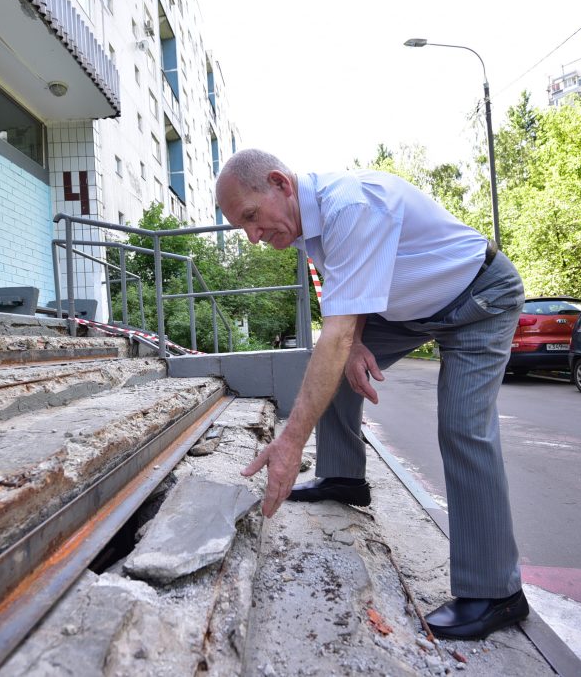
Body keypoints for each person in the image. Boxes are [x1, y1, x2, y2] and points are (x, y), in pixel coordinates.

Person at [215, 148, 528, 641]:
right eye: (242, 228)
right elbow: (344, 304)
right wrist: (356, 342)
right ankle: (343, 477)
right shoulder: (306, 227)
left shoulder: (352, 205)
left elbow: (333, 334)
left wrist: (291, 442)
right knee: (335, 365)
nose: (253, 237)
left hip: (478, 299)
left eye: (251, 217)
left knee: (464, 427)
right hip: (412, 307)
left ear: (280, 183)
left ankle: (496, 592)